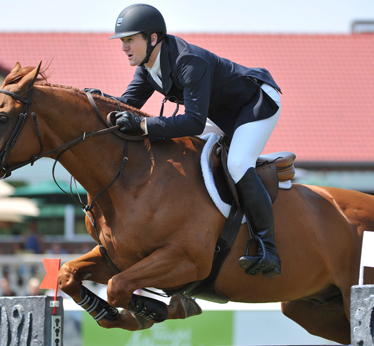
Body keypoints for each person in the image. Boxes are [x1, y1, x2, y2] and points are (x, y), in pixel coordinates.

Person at [108, 4, 282, 277]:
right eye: (122, 41)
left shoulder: (188, 62)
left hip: (256, 103)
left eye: (130, 40)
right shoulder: (147, 68)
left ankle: (267, 248)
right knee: (186, 154)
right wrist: (93, 100)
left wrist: (142, 125)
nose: (124, 48)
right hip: (222, 113)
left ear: (153, 39)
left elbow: (193, 122)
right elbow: (127, 104)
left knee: (237, 163)